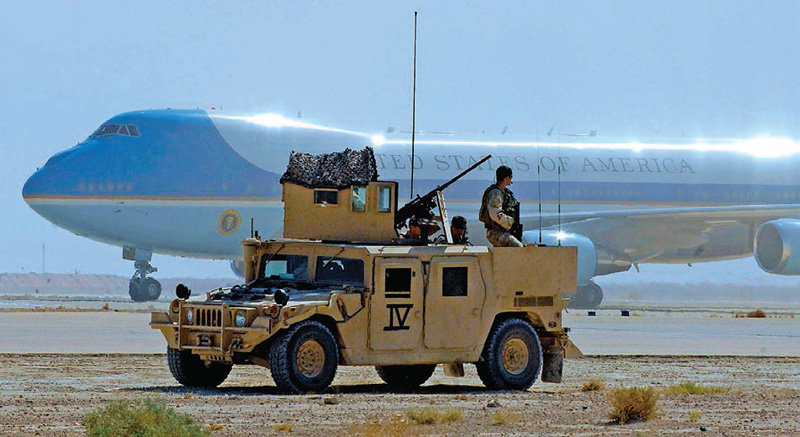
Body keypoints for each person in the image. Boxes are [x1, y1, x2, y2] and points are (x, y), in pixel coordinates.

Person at [479, 165, 523, 247]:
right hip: (495, 233)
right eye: (510, 177)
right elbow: (494, 214)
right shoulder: (496, 193)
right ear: (506, 178)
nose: (511, 179)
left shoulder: (505, 193)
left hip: (503, 232)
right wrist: (510, 222)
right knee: (518, 247)